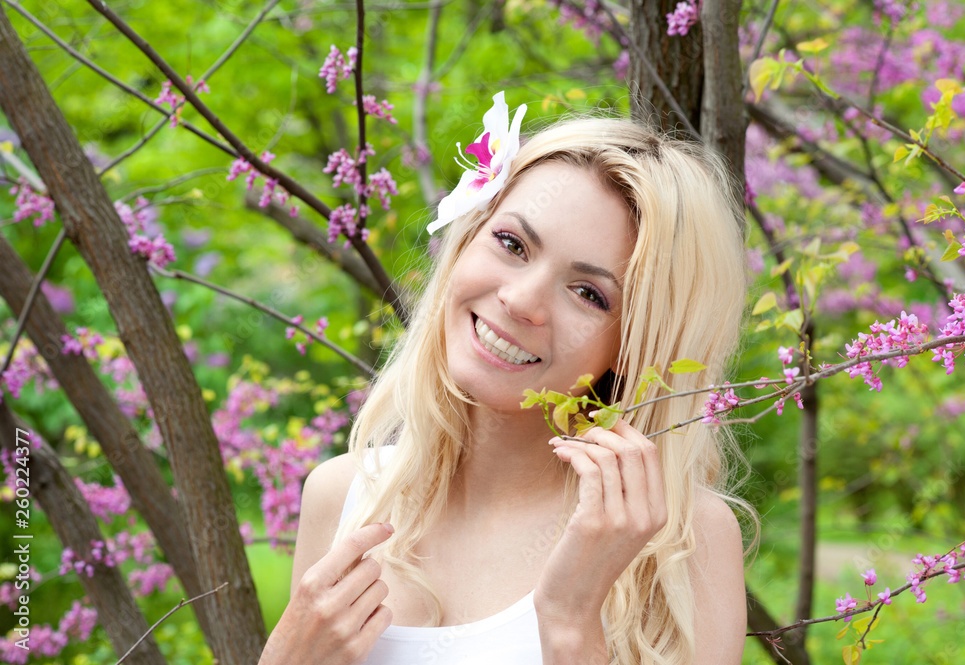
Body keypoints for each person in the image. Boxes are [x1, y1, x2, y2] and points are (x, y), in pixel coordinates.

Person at [259, 94, 753, 665]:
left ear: (635, 346)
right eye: (513, 244)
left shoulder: (682, 543)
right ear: (467, 239)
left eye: (588, 293)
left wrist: (570, 623)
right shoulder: (342, 495)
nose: (520, 301)